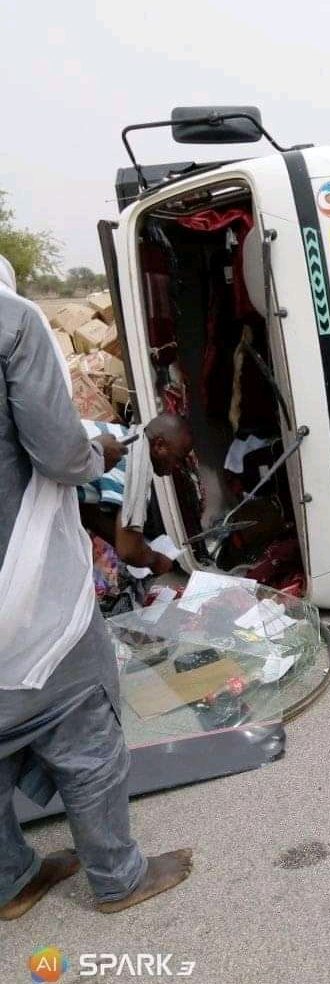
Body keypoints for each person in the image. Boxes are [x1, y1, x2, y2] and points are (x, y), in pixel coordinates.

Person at [0, 255, 193, 920]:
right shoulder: (12, 323)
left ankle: (10, 879)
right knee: (82, 714)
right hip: (18, 585)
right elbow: (60, 457)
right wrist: (96, 455)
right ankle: (117, 876)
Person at [78, 414, 194, 574]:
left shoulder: (124, 433)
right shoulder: (136, 467)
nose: (179, 467)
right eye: (179, 459)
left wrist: (134, 544)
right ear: (159, 446)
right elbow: (129, 551)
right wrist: (156, 560)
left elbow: (88, 513)